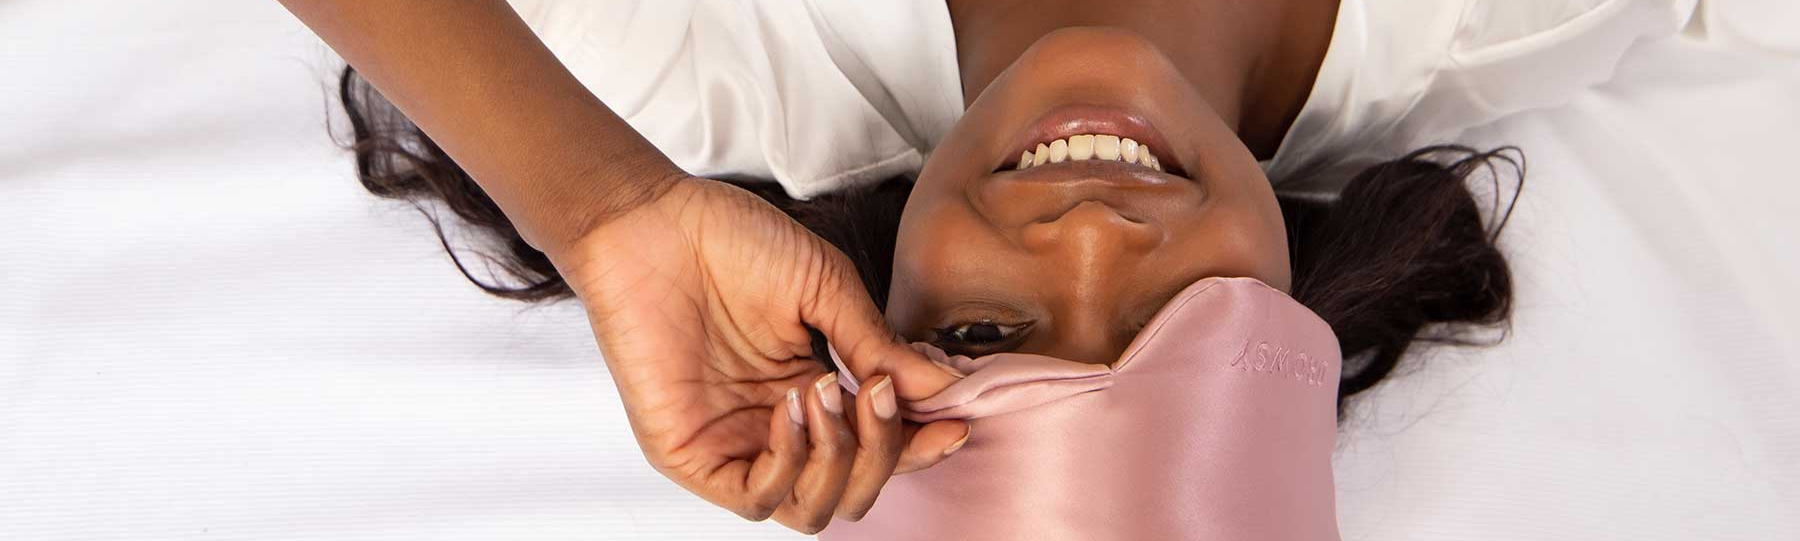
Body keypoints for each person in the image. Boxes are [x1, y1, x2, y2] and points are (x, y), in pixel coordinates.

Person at [281, 0, 1552, 534]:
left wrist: (604, 209)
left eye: (988, 337)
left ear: (880, 308)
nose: (1094, 236)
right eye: (1182, 318)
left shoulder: (696, 61)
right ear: (1296, 316)